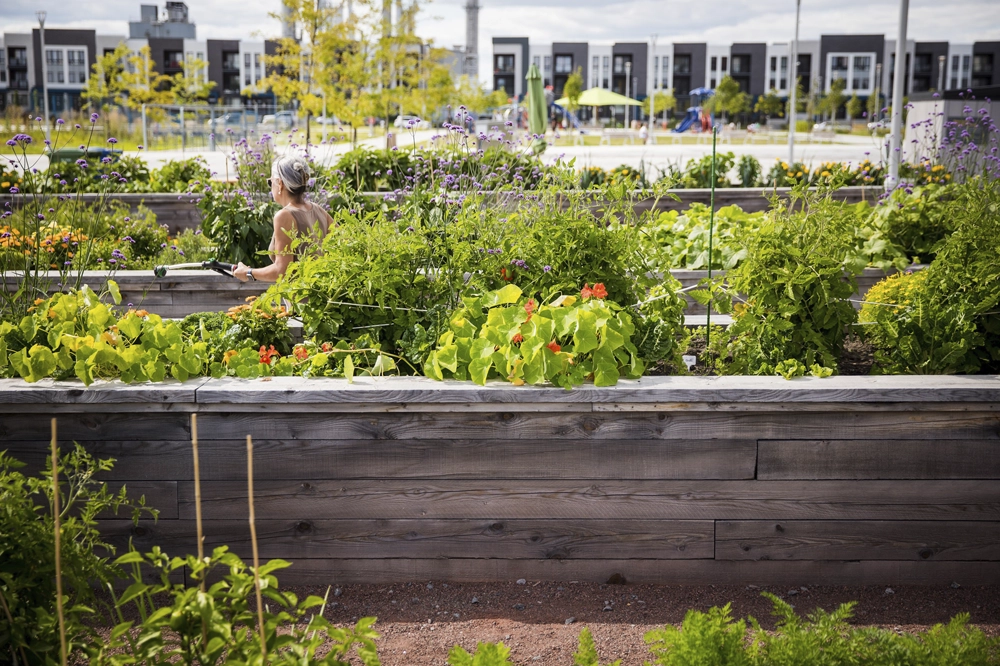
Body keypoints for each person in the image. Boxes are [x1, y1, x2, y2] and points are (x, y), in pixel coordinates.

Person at [233, 155, 334, 283]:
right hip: (322, 295)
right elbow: (343, 240)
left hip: (301, 299)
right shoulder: (318, 210)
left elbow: (282, 271)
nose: (271, 187)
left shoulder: (284, 216)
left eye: (270, 182)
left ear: (280, 184)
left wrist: (247, 272)